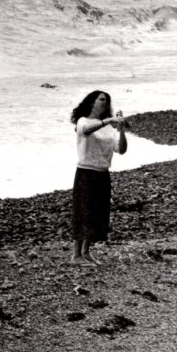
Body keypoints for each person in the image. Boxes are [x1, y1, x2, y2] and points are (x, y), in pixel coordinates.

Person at [69, 91, 127, 266]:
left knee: (97, 213)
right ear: (91, 102)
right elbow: (85, 131)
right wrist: (109, 120)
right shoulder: (83, 121)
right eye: (101, 99)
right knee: (83, 212)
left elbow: (121, 150)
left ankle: (86, 252)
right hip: (86, 172)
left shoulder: (108, 128)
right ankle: (76, 255)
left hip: (103, 172)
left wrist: (121, 130)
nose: (105, 103)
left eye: (107, 100)